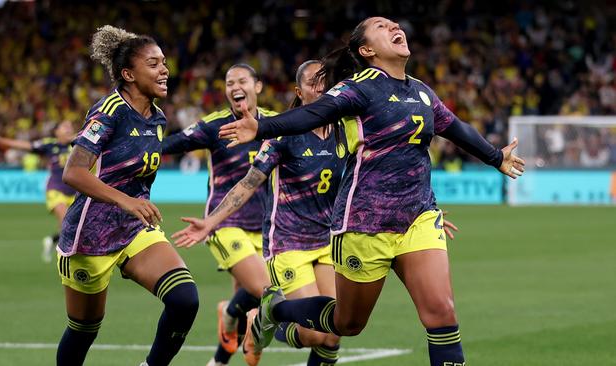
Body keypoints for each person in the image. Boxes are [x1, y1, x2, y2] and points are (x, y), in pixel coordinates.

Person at [218, 17, 525, 366]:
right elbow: (313, 114)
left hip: (418, 217)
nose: (394, 27)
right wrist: (261, 127)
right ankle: (275, 310)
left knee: (441, 312)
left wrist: (495, 156)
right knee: (346, 324)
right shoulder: (358, 88)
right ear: (366, 50)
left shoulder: (421, 91)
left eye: (394, 24)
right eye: (381, 27)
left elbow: (455, 128)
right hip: (365, 224)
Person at [56, 25, 198, 366]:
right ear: (128, 74)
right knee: (84, 328)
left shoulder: (159, 119)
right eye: (154, 63)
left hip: (135, 230)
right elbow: (73, 172)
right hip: (90, 235)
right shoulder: (109, 111)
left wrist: (133, 205)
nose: (165, 69)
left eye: (164, 61)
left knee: (184, 299)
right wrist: (125, 200)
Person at [162, 63, 276, 366]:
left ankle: (219, 360)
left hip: (267, 228)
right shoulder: (214, 125)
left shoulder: (277, 125)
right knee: (266, 291)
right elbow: (172, 144)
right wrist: (134, 145)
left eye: (242, 81)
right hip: (225, 223)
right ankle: (230, 314)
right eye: (229, 83)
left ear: (258, 86)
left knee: (247, 299)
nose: (235, 87)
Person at [0, 120, 77, 262]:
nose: (69, 129)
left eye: (70, 127)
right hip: (56, 189)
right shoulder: (50, 144)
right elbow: (24, 146)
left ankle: (52, 240)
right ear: (56, 132)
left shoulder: (80, 143)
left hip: (76, 192)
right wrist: (0, 140)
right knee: (67, 222)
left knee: (73, 228)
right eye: (64, 127)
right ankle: (66, 259)